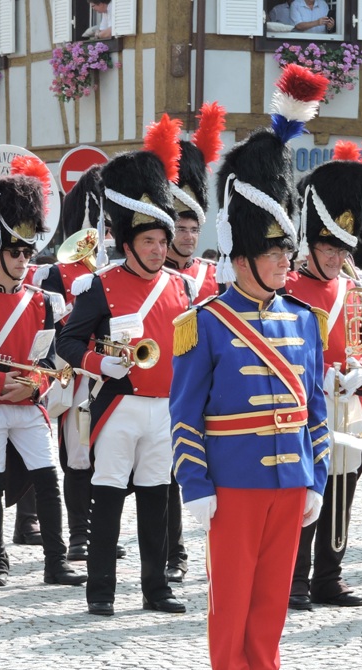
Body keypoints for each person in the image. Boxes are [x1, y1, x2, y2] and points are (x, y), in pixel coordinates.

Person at [170, 66, 330, 670]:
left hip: (290, 477)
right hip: (232, 481)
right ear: (242, 258)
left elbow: (316, 408)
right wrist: (195, 483)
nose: (286, 264)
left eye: (287, 253)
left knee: (272, 594)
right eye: (274, 254)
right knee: (230, 593)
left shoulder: (304, 320)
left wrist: (317, 474)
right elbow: (184, 413)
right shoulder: (203, 323)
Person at [56, 145, 189, 618]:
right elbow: (67, 342)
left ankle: (156, 588)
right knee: (108, 496)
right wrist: (98, 363)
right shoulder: (100, 285)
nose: (158, 249)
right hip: (118, 405)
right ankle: (101, 590)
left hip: (164, 408)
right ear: (128, 243)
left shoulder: (181, 287)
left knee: (156, 499)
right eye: (149, 241)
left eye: (162, 240)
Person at [0, 174, 86, 589]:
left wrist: (34, 386)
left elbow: (51, 357)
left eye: (28, 251)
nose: (23, 258)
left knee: (48, 482)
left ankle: (56, 562)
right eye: (15, 251)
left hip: (29, 405)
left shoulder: (43, 302)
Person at [285, 149, 362, 610]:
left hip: (347, 405)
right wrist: (317, 376)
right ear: (310, 246)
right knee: (306, 493)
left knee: (343, 492)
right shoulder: (286, 288)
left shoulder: (356, 288)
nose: (337, 258)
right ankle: (294, 579)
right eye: (329, 249)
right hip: (304, 405)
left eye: (343, 250)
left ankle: (329, 576)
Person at [161, 104, 226, 584]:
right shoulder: (156, 278)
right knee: (169, 477)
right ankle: (173, 551)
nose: (186, 236)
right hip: (167, 387)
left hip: (211, 391)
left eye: (192, 228)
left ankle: (213, 552)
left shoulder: (212, 275)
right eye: (179, 228)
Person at [36, 166, 107, 563]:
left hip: (112, 374)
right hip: (76, 374)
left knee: (109, 455)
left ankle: (102, 529)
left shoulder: (114, 269)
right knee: (78, 458)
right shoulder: (55, 274)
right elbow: (49, 328)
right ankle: (80, 533)